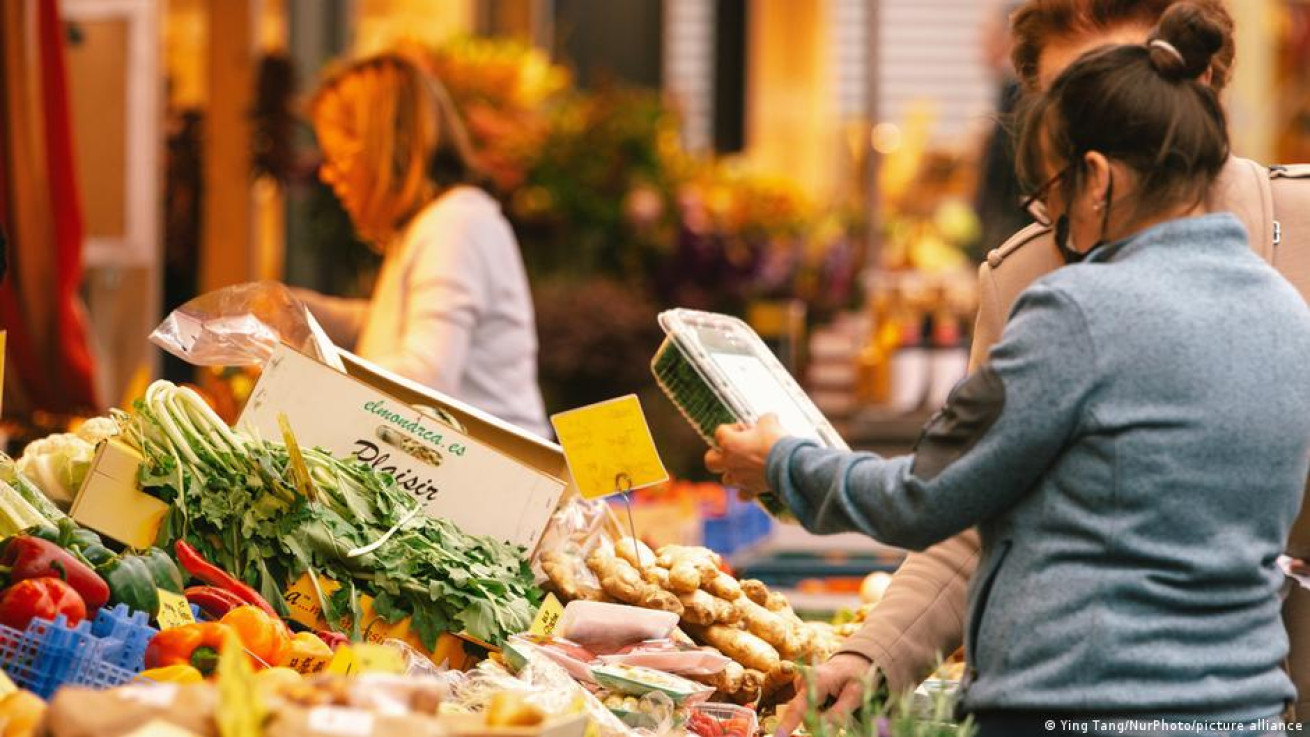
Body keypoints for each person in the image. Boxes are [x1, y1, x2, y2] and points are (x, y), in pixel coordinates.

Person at [707, 5, 1310, 735]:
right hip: (1241, 709)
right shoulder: (1044, 274)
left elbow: (929, 491)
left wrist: (785, 464)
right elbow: (981, 502)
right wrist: (876, 654)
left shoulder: (1081, 303)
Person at [296, 53, 550, 438]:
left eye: (337, 156)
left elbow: (426, 375)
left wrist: (304, 382)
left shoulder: (454, 224)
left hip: (490, 482)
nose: (329, 176)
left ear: (382, 147)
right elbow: (403, 323)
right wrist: (297, 312)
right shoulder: (438, 222)